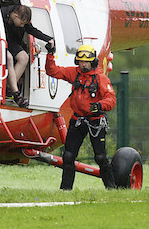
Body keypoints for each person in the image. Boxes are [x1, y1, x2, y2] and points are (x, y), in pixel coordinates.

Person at [45, 44, 116, 190]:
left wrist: (100, 106)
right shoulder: (74, 73)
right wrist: (50, 55)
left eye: (86, 62)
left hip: (96, 122)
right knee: (69, 156)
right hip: (77, 121)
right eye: (81, 61)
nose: (83, 64)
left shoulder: (100, 78)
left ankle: (112, 189)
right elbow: (53, 71)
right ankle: (65, 190)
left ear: (93, 62)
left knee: (100, 157)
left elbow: (111, 99)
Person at [2, 4, 54, 108]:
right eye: (21, 23)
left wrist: (49, 39)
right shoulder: (1, 13)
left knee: (24, 57)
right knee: (9, 58)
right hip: (0, 40)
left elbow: (33, 30)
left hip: (12, 42)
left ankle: (9, 88)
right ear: (15, 16)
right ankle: (16, 93)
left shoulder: (22, 19)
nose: (22, 26)